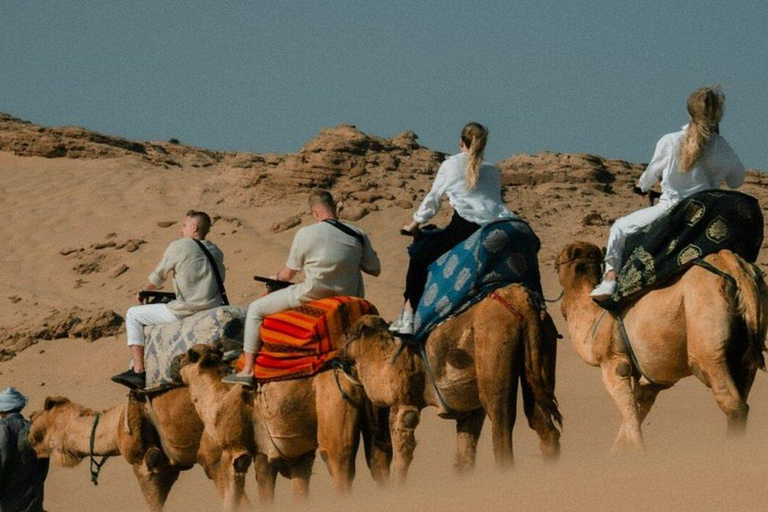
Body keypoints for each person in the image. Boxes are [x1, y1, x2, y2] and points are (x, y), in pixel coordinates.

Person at [591, 86, 746, 300]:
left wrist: (642, 186)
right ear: (718, 115)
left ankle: (609, 279)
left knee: (619, 229)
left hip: (673, 210)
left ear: (689, 112)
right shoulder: (721, 146)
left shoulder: (671, 141)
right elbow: (737, 181)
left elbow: (651, 174)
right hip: (708, 216)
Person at [223, 189, 381, 385]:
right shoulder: (357, 233)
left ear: (314, 213)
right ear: (334, 208)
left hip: (312, 295)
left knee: (255, 309)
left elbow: (288, 274)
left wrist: (274, 278)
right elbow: (375, 269)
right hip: (349, 296)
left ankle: (247, 370)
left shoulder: (306, 233)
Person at [389, 122, 517, 336]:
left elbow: (433, 199)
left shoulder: (451, 165)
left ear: (461, 143)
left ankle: (408, 317)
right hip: (498, 228)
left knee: (418, 254)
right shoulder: (493, 170)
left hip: (465, 228)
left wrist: (414, 224)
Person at [112, 210, 226, 389]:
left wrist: (144, 290)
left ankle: (138, 371)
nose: (182, 230)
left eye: (184, 225)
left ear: (194, 227)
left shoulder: (180, 246)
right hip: (213, 307)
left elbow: (158, 276)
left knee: (133, 314)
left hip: (187, 310)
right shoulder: (216, 251)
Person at [0, 387, 49, 512]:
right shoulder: (33, 429)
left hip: (7, 498)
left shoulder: (3, 428)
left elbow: (3, 458)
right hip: (32, 496)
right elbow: (43, 464)